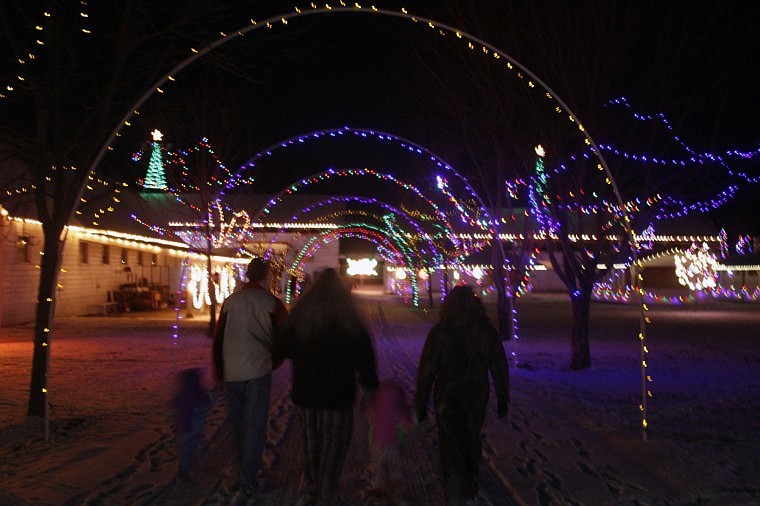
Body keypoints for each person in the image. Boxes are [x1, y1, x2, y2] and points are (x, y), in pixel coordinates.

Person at [275, 268, 379, 506]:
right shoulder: (349, 318)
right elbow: (364, 355)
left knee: (312, 444)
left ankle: (312, 488)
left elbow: (282, 347)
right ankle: (327, 489)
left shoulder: (301, 315)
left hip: (307, 392)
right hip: (338, 394)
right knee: (335, 444)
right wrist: (370, 385)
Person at [415, 285, 509, 506]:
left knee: (450, 442)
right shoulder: (486, 332)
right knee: (471, 436)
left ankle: (455, 484)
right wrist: (503, 397)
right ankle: (469, 482)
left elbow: (427, 369)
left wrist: (421, 402)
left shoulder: (440, 332)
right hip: (476, 395)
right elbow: (499, 366)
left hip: (447, 396)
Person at [212, 257, 287, 495]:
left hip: (232, 369)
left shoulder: (230, 302)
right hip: (258, 369)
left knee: (236, 422)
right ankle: (248, 475)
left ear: (247, 275)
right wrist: (273, 361)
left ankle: (240, 462)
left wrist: (219, 369)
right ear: (266, 276)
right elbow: (283, 338)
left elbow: (219, 338)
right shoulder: (272, 303)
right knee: (255, 424)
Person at [363, 378, 415, 504]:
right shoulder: (399, 409)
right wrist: (410, 426)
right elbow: (408, 423)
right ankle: (396, 483)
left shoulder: (376, 406)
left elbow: (368, 411)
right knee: (395, 465)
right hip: (392, 444)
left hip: (377, 443)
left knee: (379, 465)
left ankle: (378, 486)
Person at [172, 367, 216, 480]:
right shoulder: (195, 398)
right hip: (191, 429)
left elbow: (175, 403)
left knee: (188, 449)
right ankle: (184, 469)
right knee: (190, 449)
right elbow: (206, 403)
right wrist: (211, 395)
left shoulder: (183, 396)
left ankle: (188, 465)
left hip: (184, 428)